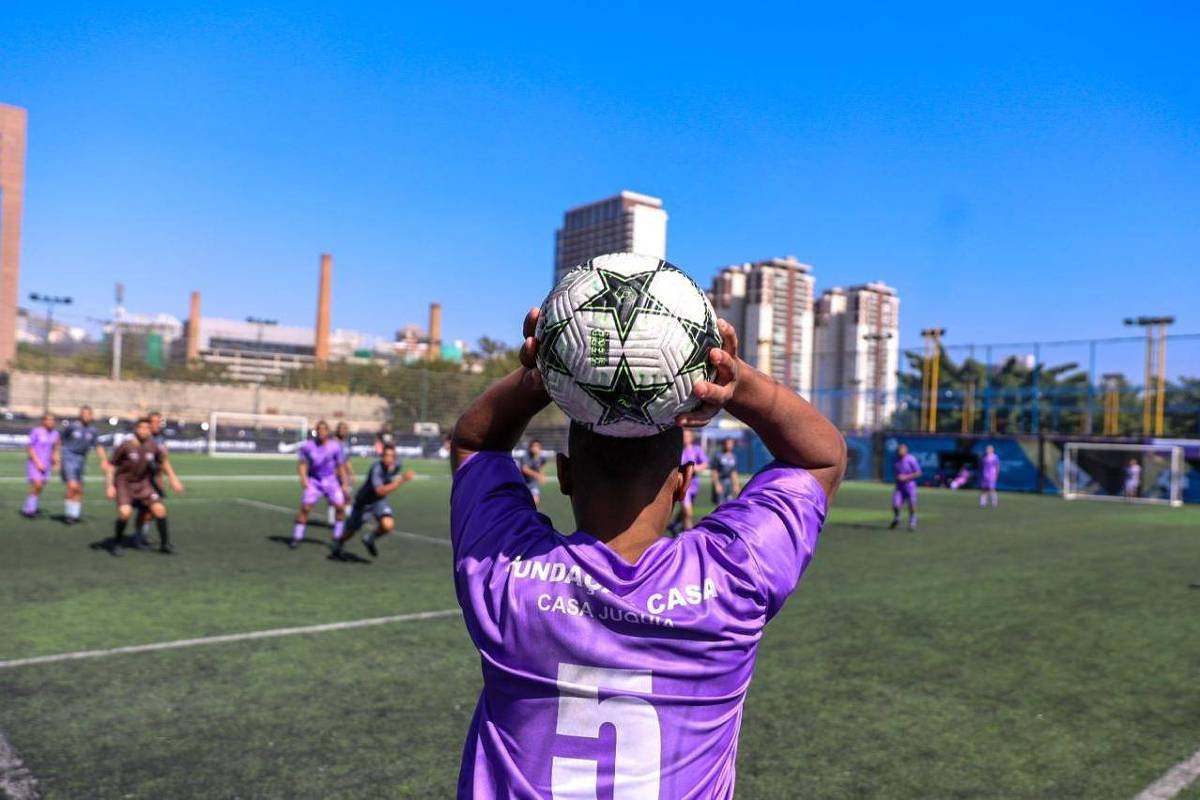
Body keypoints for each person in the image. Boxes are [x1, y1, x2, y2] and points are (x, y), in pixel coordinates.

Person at [449, 310, 845, 798]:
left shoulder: (508, 580)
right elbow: (821, 455)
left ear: (565, 475)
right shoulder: (733, 579)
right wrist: (736, 383)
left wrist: (541, 376)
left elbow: (474, 443)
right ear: (683, 483)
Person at [106, 417, 184, 556]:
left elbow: (164, 462)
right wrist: (110, 486)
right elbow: (111, 466)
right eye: (141, 428)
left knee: (160, 510)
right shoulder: (126, 445)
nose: (144, 431)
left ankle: (165, 544)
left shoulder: (153, 446)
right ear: (136, 429)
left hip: (144, 484)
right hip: (125, 483)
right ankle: (117, 543)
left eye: (147, 428)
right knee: (125, 512)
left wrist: (173, 479)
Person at [331, 444, 416, 559]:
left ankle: (369, 539)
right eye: (386, 455)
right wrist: (401, 480)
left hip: (378, 501)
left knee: (388, 525)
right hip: (364, 503)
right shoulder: (376, 468)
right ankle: (338, 543)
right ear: (382, 456)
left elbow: (383, 490)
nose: (388, 458)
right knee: (351, 531)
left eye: (391, 456)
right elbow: (380, 491)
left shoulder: (397, 464)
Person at [291, 420, 348, 549]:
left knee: (340, 507)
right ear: (315, 432)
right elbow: (302, 464)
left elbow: (340, 465)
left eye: (324, 430)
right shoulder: (308, 446)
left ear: (328, 432)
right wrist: (303, 478)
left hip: (331, 482)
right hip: (314, 482)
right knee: (305, 508)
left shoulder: (335, 446)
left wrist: (344, 482)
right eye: (319, 430)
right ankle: (297, 537)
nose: (321, 432)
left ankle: (337, 536)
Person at [60, 406, 108, 523]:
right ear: (80, 415)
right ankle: (69, 515)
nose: (86, 416)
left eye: (88, 414)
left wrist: (103, 460)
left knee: (79, 489)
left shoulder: (93, 431)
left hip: (81, 459)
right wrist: (56, 457)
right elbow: (59, 440)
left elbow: (98, 446)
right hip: (68, 457)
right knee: (72, 486)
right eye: (84, 414)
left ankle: (75, 515)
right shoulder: (72, 427)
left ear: (91, 416)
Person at [133, 411, 167, 548]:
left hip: (154, 480)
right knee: (145, 510)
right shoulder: (141, 438)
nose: (157, 425)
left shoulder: (161, 439)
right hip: (141, 481)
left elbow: (162, 461)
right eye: (154, 422)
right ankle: (138, 537)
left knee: (150, 512)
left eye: (159, 422)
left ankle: (141, 536)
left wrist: (161, 481)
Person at [668, 429, 708, 533]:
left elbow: (705, 464)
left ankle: (674, 524)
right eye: (683, 436)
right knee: (688, 512)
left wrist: (694, 469)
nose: (685, 438)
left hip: (694, 484)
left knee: (685, 511)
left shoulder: (696, 449)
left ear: (691, 437)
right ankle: (688, 534)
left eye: (687, 436)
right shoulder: (678, 449)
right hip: (682, 484)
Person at [22, 413, 61, 518]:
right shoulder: (36, 431)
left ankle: (28, 506)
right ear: (43, 421)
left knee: (40, 487)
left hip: (47, 464)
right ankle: (30, 510)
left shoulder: (55, 434)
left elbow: (56, 448)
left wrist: (56, 462)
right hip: (35, 463)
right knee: (37, 484)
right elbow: (30, 447)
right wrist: (38, 462)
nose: (50, 422)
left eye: (52, 420)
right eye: (48, 419)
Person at [890, 443, 922, 530]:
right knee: (896, 504)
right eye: (898, 450)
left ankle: (912, 520)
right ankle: (897, 518)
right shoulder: (896, 460)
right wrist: (898, 478)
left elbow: (918, 473)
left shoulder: (911, 459)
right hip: (900, 487)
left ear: (905, 450)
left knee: (911, 505)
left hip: (910, 487)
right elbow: (896, 472)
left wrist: (906, 477)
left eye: (901, 450)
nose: (899, 451)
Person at [328, 421, 354, 526]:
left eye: (345, 429)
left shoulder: (346, 443)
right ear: (337, 430)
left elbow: (346, 460)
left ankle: (349, 518)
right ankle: (332, 520)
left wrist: (351, 473)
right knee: (334, 497)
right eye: (342, 429)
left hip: (344, 474)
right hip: (334, 473)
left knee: (347, 496)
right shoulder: (333, 443)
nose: (344, 431)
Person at [711, 437, 741, 506]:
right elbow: (714, 471)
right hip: (721, 482)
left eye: (731, 444)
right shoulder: (718, 456)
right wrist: (717, 484)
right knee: (720, 505)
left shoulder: (734, 457)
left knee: (730, 504)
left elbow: (734, 472)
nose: (729, 445)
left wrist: (736, 485)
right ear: (724, 444)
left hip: (729, 484)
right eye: (727, 444)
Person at [518, 439, 547, 507]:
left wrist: (543, 476)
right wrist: (537, 475)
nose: (535, 448)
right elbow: (525, 469)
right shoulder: (526, 456)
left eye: (537, 447)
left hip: (533, 483)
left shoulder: (542, 458)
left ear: (540, 448)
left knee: (535, 500)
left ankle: (531, 514)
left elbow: (541, 468)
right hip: (523, 482)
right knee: (522, 502)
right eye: (533, 446)